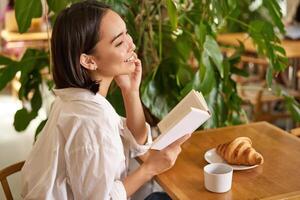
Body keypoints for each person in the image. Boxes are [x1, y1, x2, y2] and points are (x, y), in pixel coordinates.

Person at [20, 1, 190, 199]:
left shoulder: (76, 99)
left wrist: (130, 91)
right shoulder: (90, 120)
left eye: (126, 34)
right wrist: (149, 170)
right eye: (119, 42)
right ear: (89, 61)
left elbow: (137, 143)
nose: (132, 45)